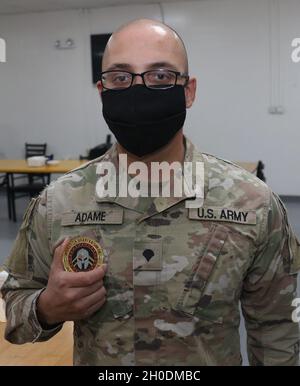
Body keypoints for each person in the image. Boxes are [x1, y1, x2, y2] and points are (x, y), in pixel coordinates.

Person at [2, 18, 300, 366]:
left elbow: (278, 332)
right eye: (121, 77)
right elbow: (15, 313)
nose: (138, 90)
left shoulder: (254, 204)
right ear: (103, 91)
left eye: (160, 76)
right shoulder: (58, 204)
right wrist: (46, 308)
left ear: (188, 91)